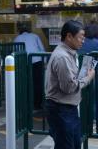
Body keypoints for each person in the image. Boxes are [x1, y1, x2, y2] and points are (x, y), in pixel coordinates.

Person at [45, 20, 95, 149]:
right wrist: (88, 78)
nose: (83, 41)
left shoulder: (68, 53)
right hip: (61, 110)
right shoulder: (63, 57)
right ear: (69, 36)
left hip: (66, 109)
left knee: (73, 144)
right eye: (80, 37)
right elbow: (69, 87)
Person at [14, 22, 46, 109]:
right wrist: (44, 62)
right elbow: (42, 49)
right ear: (29, 30)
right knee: (38, 83)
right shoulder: (35, 36)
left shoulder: (17, 38)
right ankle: (38, 104)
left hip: (24, 63)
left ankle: (27, 103)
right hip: (37, 61)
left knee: (26, 83)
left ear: (19, 31)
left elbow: (16, 52)